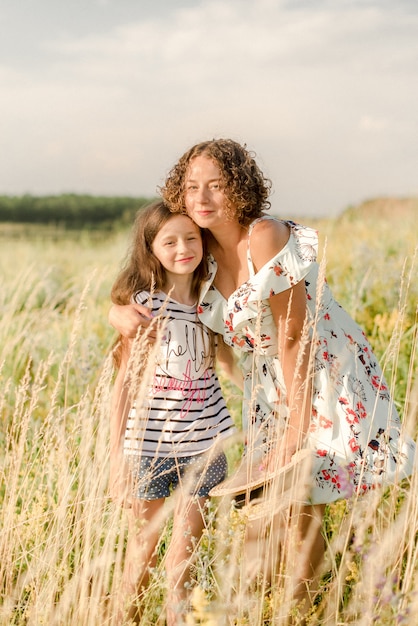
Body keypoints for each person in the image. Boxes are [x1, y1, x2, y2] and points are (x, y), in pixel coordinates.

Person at [109, 140, 415, 621]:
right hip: (268, 387)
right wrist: (118, 310)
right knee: (288, 508)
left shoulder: (264, 236)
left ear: (239, 186)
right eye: (191, 188)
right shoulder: (202, 253)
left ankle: (312, 604)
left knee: (299, 498)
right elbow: (158, 285)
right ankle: (302, 607)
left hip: (321, 373)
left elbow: (293, 335)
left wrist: (295, 428)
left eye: (216, 185)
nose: (203, 198)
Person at [109, 200, 235, 625]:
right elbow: (124, 385)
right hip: (150, 450)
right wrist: (117, 460)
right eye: (169, 240)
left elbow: (229, 367)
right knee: (140, 559)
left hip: (205, 450)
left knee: (182, 569)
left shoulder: (210, 302)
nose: (183, 247)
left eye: (191, 237)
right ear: (151, 249)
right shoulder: (144, 308)